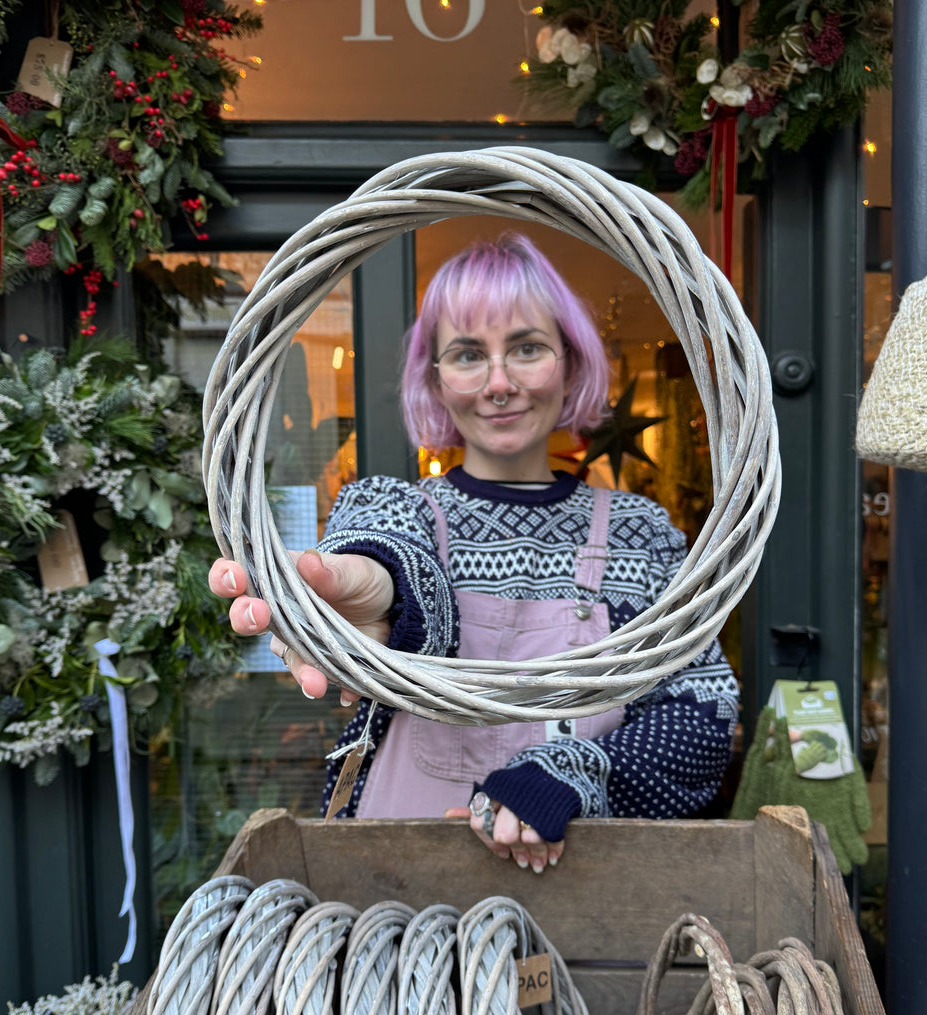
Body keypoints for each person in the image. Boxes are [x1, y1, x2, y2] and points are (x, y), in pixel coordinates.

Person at [210, 233, 738, 872]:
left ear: (570, 364)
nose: (498, 383)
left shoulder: (640, 532)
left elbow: (703, 710)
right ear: (433, 378)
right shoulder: (393, 507)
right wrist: (370, 600)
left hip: (593, 899)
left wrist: (568, 772)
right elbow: (387, 565)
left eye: (526, 348)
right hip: (401, 891)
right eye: (467, 354)